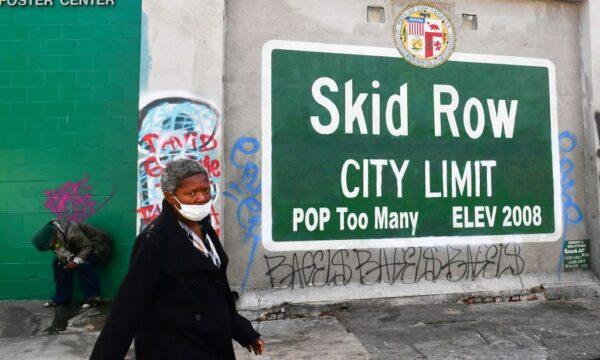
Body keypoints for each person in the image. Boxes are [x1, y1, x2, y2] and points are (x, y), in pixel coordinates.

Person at [91, 159, 265, 359]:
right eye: (191, 193)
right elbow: (127, 310)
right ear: (171, 197)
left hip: (213, 346)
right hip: (175, 349)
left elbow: (219, 296)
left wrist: (245, 332)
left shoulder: (206, 230)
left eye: (206, 190)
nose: (202, 198)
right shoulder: (155, 240)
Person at [31, 220, 113, 308]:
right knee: (58, 264)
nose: (52, 248)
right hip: (79, 248)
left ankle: (93, 298)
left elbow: (88, 246)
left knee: (84, 264)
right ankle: (62, 299)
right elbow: (61, 250)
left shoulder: (71, 232)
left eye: (51, 245)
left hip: (97, 246)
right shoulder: (52, 236)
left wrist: (75, 261)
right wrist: (68, 259)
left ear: (54, 236)